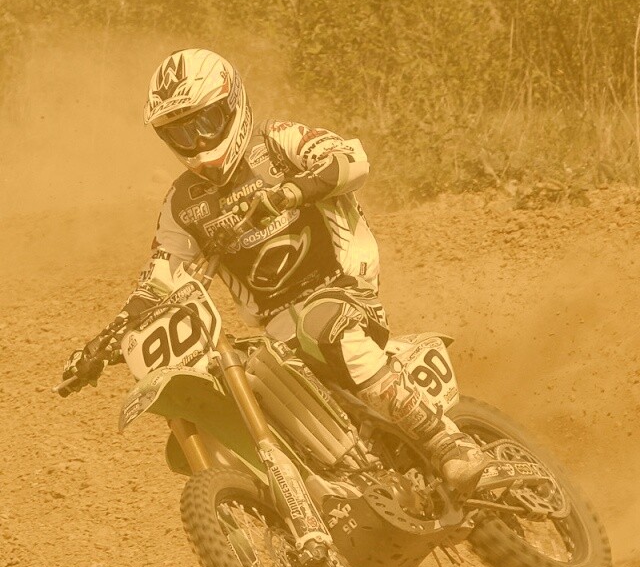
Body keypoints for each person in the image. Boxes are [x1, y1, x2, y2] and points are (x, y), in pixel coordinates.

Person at [61, 47, 493, 492]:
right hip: (277, 324)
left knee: (322, 326)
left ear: (232, 105)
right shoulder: (181, 203)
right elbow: (159, 280)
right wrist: (103, 344)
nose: (198, 142)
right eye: (181, 133)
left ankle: (450, 444)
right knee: (245, 376)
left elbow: (350, 159)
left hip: (342, 284)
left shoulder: (276, 142)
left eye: (205, 123)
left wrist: (290, 192)